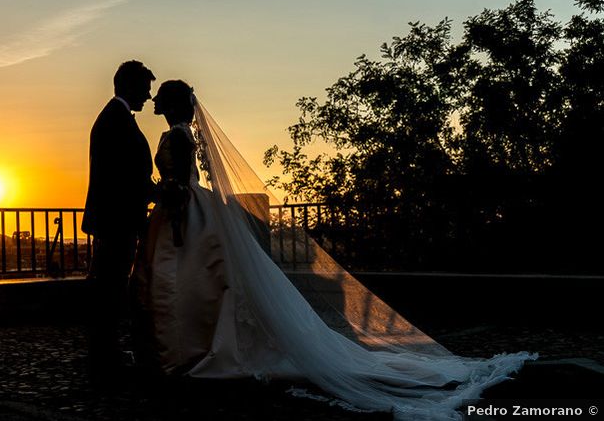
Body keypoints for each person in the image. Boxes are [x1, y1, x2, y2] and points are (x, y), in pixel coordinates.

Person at [133, 79, 536, 420]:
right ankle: (195, 349)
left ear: (170, 106)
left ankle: (192, 352)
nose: (159, 106)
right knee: (204, 284)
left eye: (162, 101)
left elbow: (182, 182)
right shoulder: (182, 134)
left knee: (191, 283)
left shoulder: (180, 135)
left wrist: (165, 192)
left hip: (186, 212)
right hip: (189, 211)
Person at [82, 60, 155, 378]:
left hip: (116, 219)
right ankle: (104, 355)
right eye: (145, 89)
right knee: (109, 287)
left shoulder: (117, 118)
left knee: (110, 287)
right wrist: (158, 193)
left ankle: (105, 350)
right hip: (117, 220)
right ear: (130, 86)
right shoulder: (116, 120)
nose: (148, 96)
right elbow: (125, 176)